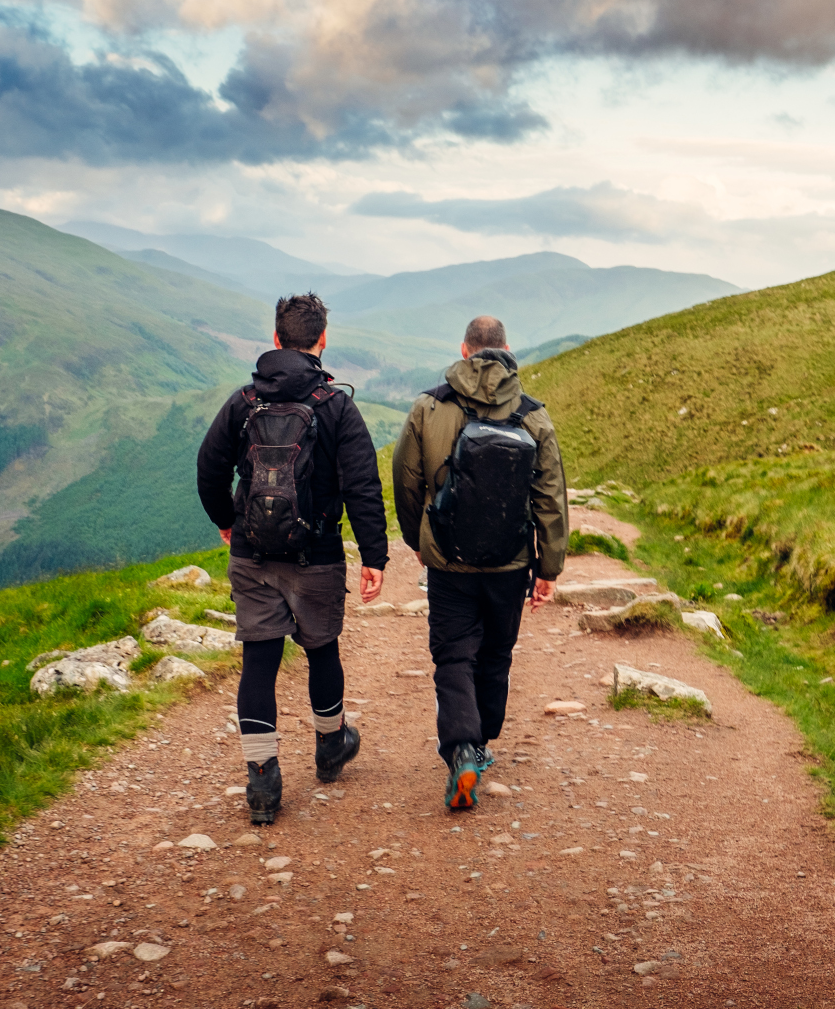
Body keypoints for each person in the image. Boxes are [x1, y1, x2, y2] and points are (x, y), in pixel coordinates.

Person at [196, 294, 389, 825]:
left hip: (252, 552)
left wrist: (227, 519)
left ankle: (263, 783)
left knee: (259, 658)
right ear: (322, 340)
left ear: (276, 338)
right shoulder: (336, 405)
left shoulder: (243, 401)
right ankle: (331, 747)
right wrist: (374, 555)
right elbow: (363, 485)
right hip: (319, 552)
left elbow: (209, 466)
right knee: (321, 649)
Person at [392, 315, 568, 811]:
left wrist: (420, 539)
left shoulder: (429, 406)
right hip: (510, 565)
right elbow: (550, 498)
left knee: (453, 656)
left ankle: (462, 748)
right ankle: (482, 743)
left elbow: (406, 480)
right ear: (508, 350)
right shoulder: (534, 416)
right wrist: (548, 568)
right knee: (495, 655)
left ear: (464, 350)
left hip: (448, 562)